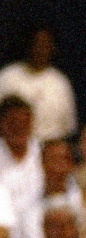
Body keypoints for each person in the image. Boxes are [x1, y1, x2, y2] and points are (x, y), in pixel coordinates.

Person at [0, 25, 77, 142]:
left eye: (45, 45)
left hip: (50, 150)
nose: (40, 50)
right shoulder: (7, 77)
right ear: (28, 46)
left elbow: (69, 127)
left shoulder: (60, 82)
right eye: (37, 45)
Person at [16, 137, 86, 238]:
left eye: (62, 160)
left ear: (71, 164)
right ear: (42, 163)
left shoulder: (83, 200)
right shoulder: (26, 203)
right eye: (52, 159)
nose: (57, 166)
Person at [0, 95, 44, 230]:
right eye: (13, 123)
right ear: (2, 123)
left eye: (23, 123)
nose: (19, 128)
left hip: (39, 227)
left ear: (31, 123)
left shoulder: (45, 155)